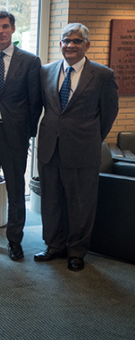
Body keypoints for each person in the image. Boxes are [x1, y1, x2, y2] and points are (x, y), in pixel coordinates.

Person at [35, 23, 119, 272]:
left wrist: (90, 137)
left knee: (81, 203)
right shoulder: (46, 71)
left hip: (83, 149)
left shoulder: (103, 75)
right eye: (66, 40)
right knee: (51, 200)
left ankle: (76, 251)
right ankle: (54, 245)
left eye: (77, 41)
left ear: (87, 45)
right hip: (50, 147)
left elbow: (108, 114)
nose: (70, 45)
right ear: (60, 44)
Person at [0, 10, 42, 261]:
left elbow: (36, 102)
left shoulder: (29, 61)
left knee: (15, 190)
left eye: (5, 26)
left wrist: (28, 132)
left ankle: (15, 240)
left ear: (13, 29)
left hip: (15, 134)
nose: (0, 31)